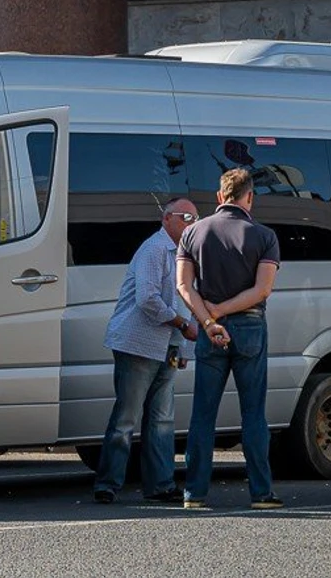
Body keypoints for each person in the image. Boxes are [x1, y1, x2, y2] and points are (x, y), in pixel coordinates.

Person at [176, 165, 282, 510]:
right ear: (249, 197)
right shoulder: (264, 236)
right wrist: (223, 310)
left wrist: (208, 320)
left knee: (202, 415)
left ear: (220, 197)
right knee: (253, 414)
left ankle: (195, 493)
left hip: (210, 332)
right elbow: (262, 289)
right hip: (250, 327)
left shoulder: (192, 233)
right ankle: (261, 493)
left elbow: (183, 286)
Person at [94, 198, 202, 504]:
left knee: (162, 419)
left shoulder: (184, 255)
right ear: (166, 219)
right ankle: (107, 484)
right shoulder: (154, 249)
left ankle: (160, 485)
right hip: (138, 343)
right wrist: (182, 326)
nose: (192, 223)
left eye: (196, 218)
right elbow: (147, 299)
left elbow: (183, 300)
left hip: (166, 343)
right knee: (127, 416)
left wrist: (182, 347)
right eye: (185, 217)